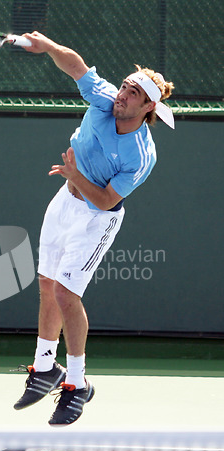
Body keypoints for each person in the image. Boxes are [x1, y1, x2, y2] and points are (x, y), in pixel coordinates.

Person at [14, 31, 174, 426]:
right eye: (124, 86)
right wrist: (49, 47)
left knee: (68, 293)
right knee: (47, 283)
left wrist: (74, 173)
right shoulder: (105, 101)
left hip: (96, 218)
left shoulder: (140, 155)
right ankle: (45, 367)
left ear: (148, 106)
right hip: (64, 202)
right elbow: (77, 66)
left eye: (133, 93)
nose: (122, 94)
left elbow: (105, 200)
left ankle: (77, 385)